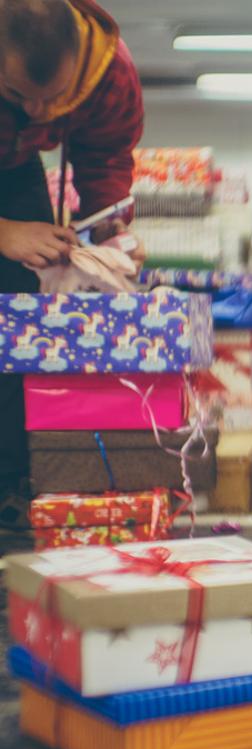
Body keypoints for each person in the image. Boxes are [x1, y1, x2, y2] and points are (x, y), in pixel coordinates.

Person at [0, 0, 144, 526]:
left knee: (29, 304)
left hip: (15, 168)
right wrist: (5, 232)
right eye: (19, 96)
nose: (38, 112)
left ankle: (17, 486)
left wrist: (109, 237)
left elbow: (105, 161)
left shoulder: (112, 74)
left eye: (53, 98)